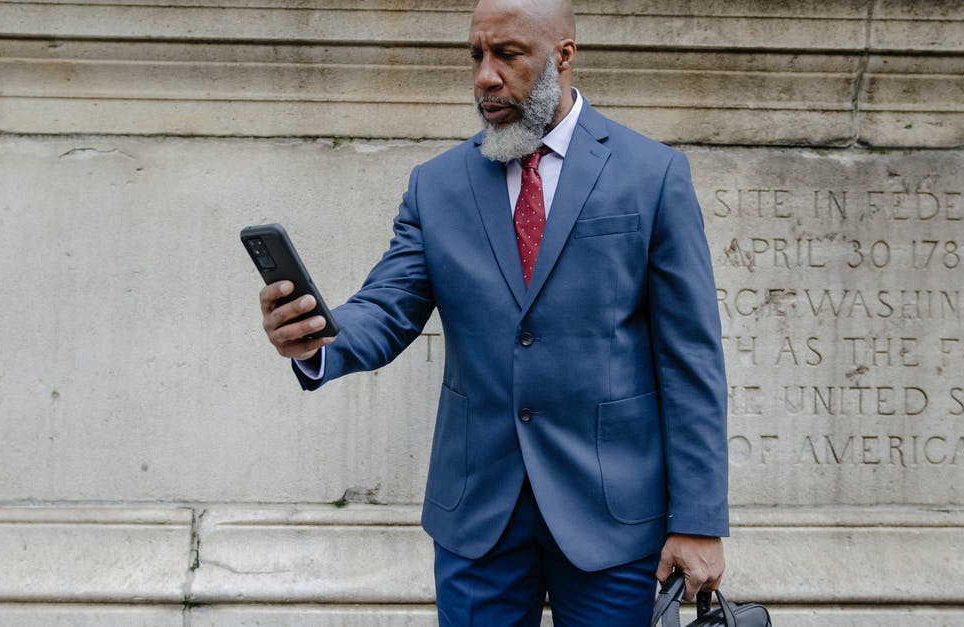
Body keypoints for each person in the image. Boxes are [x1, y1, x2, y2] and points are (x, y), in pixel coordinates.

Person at [258, 0, 728, 624]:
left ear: (563, 56)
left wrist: (697, 520)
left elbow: (690, 357)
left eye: (506, 55)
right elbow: (388, 307)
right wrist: (317, 338)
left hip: (615, 520)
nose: (484, 75)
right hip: (478, 516)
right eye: (476, 55)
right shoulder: (437, 185)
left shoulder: (653, 174)